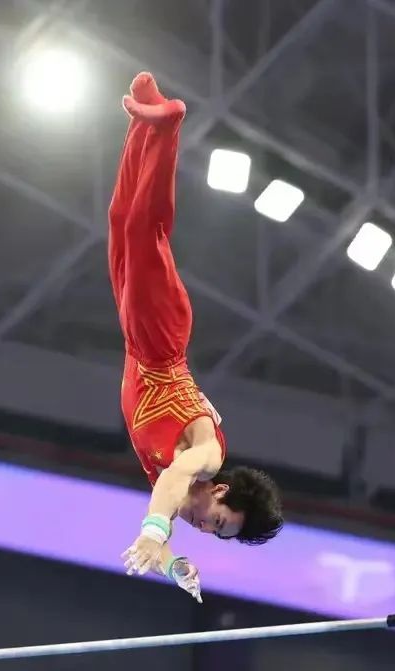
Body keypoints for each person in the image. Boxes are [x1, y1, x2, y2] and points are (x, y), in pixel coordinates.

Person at [110, 72, 283, 602]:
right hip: (161, 341)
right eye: (219, 522)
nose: (206, 529)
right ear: (221, 489)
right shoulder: (204, 457)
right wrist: (151, 532)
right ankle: (168, 126)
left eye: (214, 534)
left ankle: (144, 123)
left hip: (137, 340)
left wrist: (172, 565)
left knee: (122, 221)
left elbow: (165, 500)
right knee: (146, 231)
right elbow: (171, 485)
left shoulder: (175, 489)